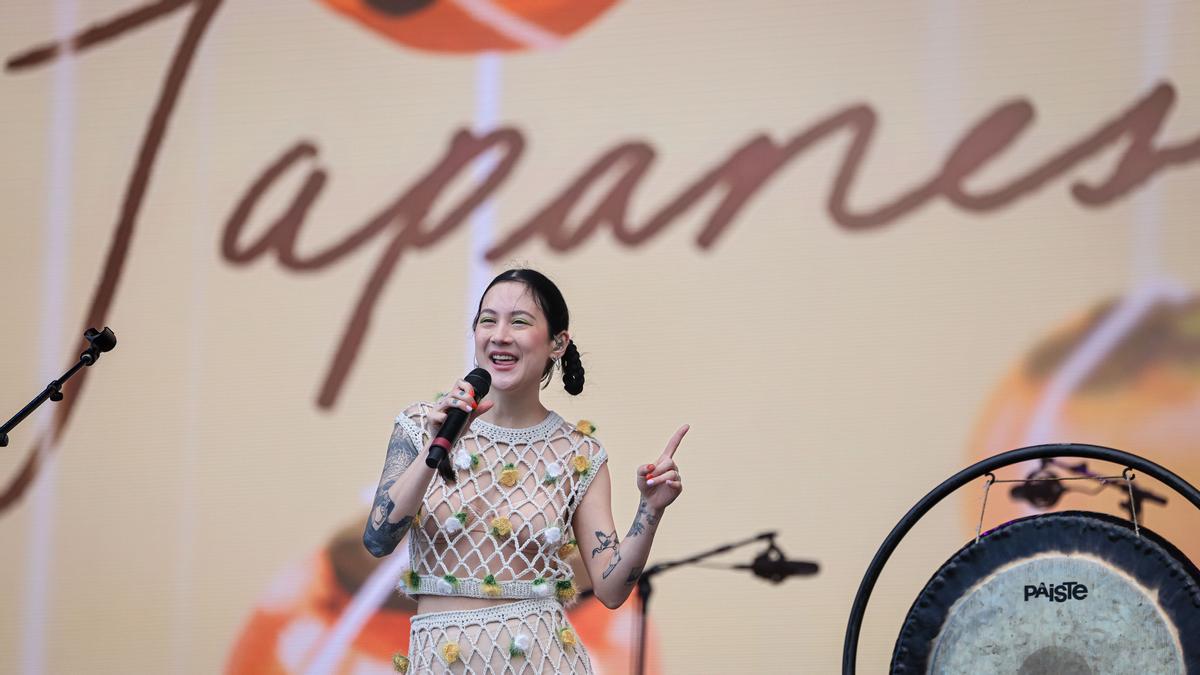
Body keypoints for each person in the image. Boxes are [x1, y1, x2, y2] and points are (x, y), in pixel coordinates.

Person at [363, 268, 687, 673]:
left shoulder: (578, 453)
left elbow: (610, 589)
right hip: (438, 659)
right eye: (487, 320)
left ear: (557, 343)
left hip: (542, 659)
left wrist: (650, 510)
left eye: (519, 321)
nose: (499, 334)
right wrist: (436, 442)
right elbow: (378, 539)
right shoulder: (421, 424)